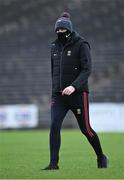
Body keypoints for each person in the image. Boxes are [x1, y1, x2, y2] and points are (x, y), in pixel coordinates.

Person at [43, 12, 108, 170]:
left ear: (69, 30)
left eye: (62, 30)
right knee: (54, 125)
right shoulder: (53, 46)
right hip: (58, 96)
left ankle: (101, 156)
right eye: (57, 30)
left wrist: (73, 86)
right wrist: (54, 91)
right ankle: (53, 164)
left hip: (78, 94)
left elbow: (87, 70)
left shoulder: (81, 44)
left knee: (85, 129)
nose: (59, 33)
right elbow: (54, 71)